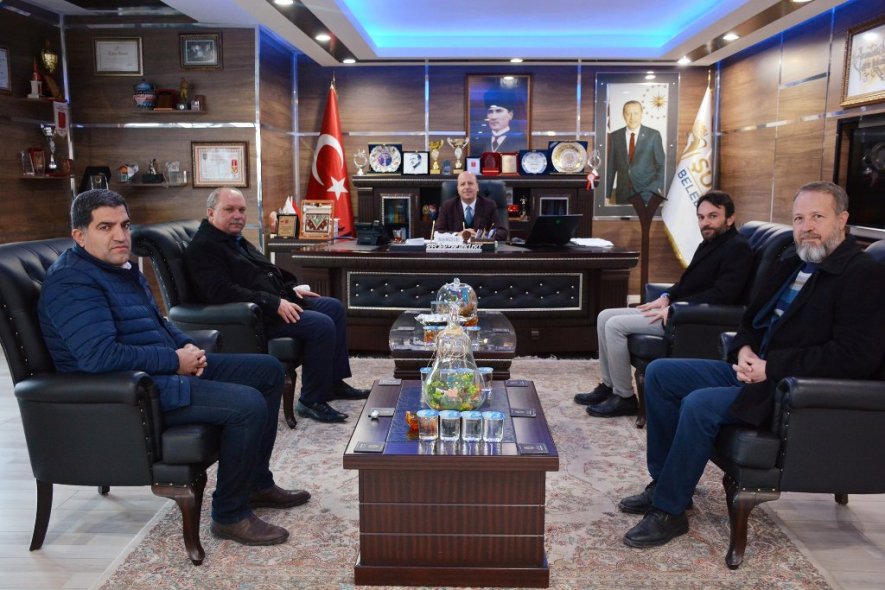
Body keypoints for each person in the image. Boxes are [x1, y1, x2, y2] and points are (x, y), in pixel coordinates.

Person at [619, 181, 885, 549]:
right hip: (752, 370)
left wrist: (770, 367)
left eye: (817, 217)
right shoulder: (793, 261)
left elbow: (855, 357)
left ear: (842, 220)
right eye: (799, 218)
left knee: (698, 404)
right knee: (661, 374)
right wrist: (743, 348)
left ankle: (669, 510)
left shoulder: (862, 274)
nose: (807, 227)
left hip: (787, 389)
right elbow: (751, 317)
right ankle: (665, 482)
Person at [38, 189, 308, 546]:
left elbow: (157, 323)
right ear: (79, 235)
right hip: (130, 392)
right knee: (247, 404)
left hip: (161, 371)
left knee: (267, 370)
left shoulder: (118, 268)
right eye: (105, 227)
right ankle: (230, 515)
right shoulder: (72, 282)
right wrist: (174, 361)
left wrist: (186, 345)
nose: (120, 235)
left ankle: (256, 484)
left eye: (125, 225)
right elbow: (98, 357)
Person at [184, 187, 368, 424]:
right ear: (211, 213)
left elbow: (261, 272)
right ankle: (311, 400)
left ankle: (332, 383)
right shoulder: (204, 247)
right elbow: (221, 292)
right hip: (249, 319)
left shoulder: (231, 238)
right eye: (229, 210)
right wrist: (274, 302)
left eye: (241, 210)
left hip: (269, 304)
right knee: (321, 324)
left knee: (334, 308)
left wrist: (291, 290)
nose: (238, 215)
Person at [575, 191, 753, 417]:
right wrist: (666, 296)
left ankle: (624, 397)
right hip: (676, 309)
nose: (705, 223)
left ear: (730, 218)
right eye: (701, 217)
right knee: (604, 316)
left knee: (614, 325)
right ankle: (608, 387)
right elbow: (688, 283)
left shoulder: (737, 248)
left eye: (713, 216)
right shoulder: (710, 243)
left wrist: (678, 308)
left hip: (689, 319)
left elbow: (724, 294)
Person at [606, 100, 666, 204]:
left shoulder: (653, 135)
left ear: (641, 114)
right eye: (628, 113)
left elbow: (662, 166)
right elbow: (610, 168)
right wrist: (607, 195)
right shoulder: (615, 136)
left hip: (648, 195)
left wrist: (653, 189)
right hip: (623, 195)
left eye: (636, 113)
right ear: (623, 115)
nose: (632, 118)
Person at [434, 171, 508, 241]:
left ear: (477, 187)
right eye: (462, 184)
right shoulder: (448, 206)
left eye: (470, 183)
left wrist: (480, 236)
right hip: (456, 249)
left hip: (482, 249)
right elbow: (437, 232)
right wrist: (457, 235)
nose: (467, 187)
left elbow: (502, 232)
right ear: (458, 189)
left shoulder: (489, 205)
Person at [470, 88, 526, 157]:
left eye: (499, 111)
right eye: (490, 111)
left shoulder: (520, 141)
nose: (493, 117)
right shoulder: (479, 141)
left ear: (510, 115)